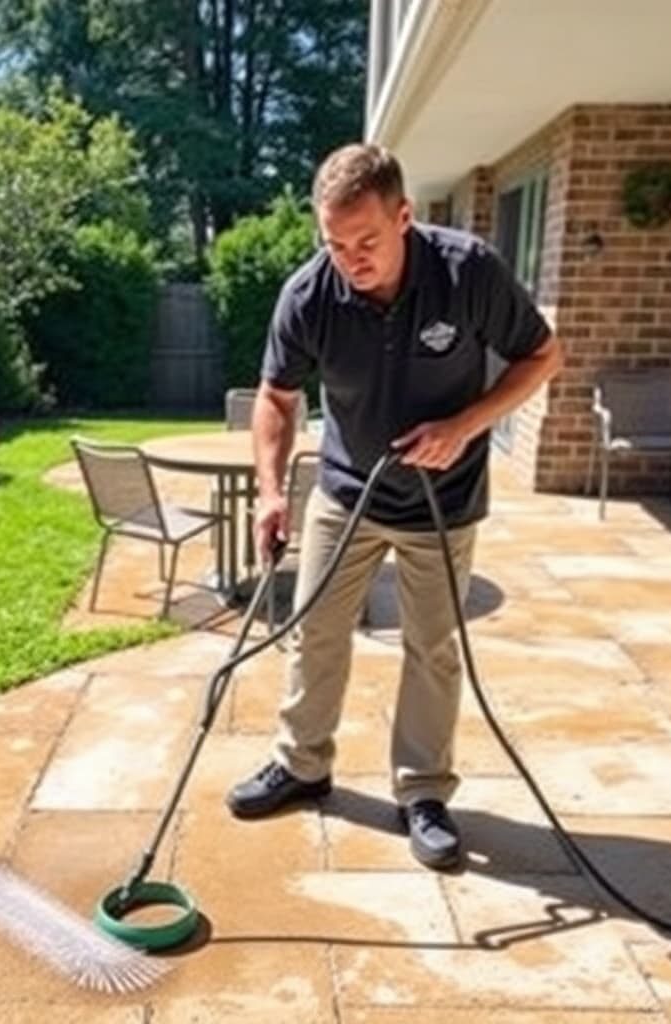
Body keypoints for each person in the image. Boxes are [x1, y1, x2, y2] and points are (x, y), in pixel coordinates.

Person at [226, 143, 563, 870]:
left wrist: (464, 426)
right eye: (334, 243)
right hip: (346, 494)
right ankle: (303, 764)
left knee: (433, 649)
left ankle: (423, 792)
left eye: (367, 241)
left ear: (404, 217)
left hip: (445, 503)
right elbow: (277, 397)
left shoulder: (466, 272)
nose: (351, 258)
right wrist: (272, 490)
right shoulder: (308, 294)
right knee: (314, 631)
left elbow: (544, 357)